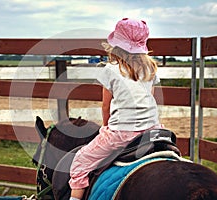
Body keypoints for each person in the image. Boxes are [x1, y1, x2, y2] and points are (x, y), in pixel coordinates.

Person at [68, 18, 163, 200]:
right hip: (153, 130)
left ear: (117, 46)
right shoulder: (151, 67)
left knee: (80, 162)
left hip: (121, 132)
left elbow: (106, 106)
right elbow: (149, 98)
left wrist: (105, 128)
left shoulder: (110, 69)